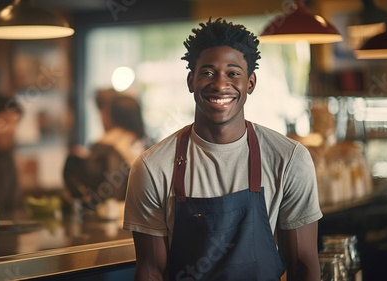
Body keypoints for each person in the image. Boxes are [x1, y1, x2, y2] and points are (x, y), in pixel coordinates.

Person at [123, 18, 322, 281]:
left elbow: (304, 265)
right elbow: (150, 271)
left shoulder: (289, 159)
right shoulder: (152, 167)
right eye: (207, 72)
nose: (219, 84)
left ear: (250, 83)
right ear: (191, 81)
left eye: (233, 73)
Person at [64, 92, 149, 214]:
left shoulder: (104, 145)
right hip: (146, 215)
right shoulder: (149, 145)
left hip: (109, 214)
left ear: (111, 115)